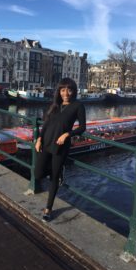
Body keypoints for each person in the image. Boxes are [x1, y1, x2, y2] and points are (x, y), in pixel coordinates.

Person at [34, 78, 86, 222]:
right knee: (37, 173)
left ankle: (48, 209)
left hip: (61, 146)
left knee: (54, 179)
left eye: (69, 90)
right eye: (63, 90)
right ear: (59, 91)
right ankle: (56, 171)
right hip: (46, 143)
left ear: (74, 91)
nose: (66, 93)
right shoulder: (56, 105)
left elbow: (82, 127)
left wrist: (67, 134)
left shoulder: (78, 106)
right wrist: (39, 139)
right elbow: (46, 124)